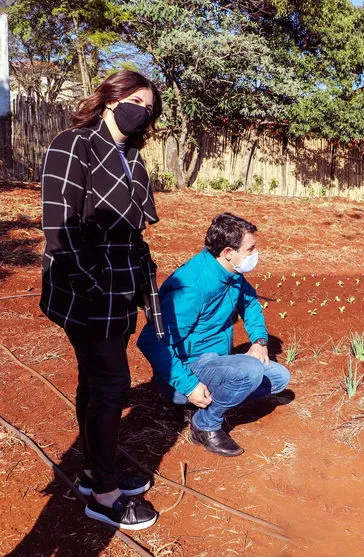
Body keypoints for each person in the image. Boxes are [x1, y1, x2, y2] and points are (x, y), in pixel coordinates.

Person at [40, 70, 164, 530]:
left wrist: (146, 292)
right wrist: (93, 286)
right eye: (135, 100)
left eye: (149, 108)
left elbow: (135, 236)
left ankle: (95, 470)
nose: (141, 111)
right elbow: (60, 230)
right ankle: (104, 493)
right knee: (111, 384)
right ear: (110, 98)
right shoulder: (73, 144)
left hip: (123, 285)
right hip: (85, 288)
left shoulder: (133, 158)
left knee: (95, 381)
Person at [138, 213, 291, 457]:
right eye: (250, 249)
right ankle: (204, 425)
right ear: (229, 252)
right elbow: (151, 341)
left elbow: (250, 303)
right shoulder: (192, 286)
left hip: (214, 361)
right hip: (186, 372)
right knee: (250, 372)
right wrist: (189, 386)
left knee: (279, 378)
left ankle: (201, 408)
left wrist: (260, 342)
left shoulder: (231, 275)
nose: (255, 254)